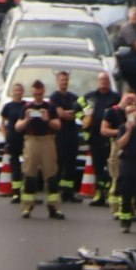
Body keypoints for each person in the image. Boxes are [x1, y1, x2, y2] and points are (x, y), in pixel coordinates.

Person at [17, 77, 65, 219]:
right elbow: (17, 127)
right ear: (32, 93)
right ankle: (26, 207)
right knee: (30, 173)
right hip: (32, 140)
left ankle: (54, 207)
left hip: (47, 140)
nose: (37, 96)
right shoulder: (27, 107)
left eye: (39, 93)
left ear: (43, 92)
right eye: (35, 93)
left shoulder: (50, 107)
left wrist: (47, 120)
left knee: (51, 174)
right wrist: (27, 119)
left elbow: (58, 125)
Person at [106, 94, 136, 232]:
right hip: (127, 163)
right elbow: (121, 143)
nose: (131, 115)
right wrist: (129, 130)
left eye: (133, 112)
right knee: (125, 194)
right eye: (129, 113)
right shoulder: (122, 128)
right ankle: (125, 223)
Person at [79, 71, 121, 207]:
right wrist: (82, 118)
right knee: (97, 166)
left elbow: (121, 112)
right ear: (98, 82)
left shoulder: (115, 97)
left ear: (108, 82)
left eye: (105, 80)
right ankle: (99, 193)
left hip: (109, 138)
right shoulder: (92, 97)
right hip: (95, 137)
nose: (103, 82)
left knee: (110, 166)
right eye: (101, 80)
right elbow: (77, 105)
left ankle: (110, 193)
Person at [50, 70, 82, 203]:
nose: (64, 82)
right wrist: (68, 113)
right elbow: (61, 114)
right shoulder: (55, 97)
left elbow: (79, 112)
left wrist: (69, 113)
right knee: (59, 162)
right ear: (58, 81)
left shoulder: (73, 97)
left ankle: (68, 192)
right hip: (60, 134)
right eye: (62, 80)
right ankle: (56, 191)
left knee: (71, 164)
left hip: (72, 133)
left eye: (66, 80)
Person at [0, 81, 28, 191]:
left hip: (25, 138)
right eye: (15, 90)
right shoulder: (8, 106)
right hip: (12, 137)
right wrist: (4, 135)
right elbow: (2, 122)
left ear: (23, 92)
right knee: (15, 164)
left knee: (27, 165)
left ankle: (25, 189)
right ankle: (16, 191)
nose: (17, 92)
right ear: (12, 92)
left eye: (20, 90)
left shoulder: (26, 106)